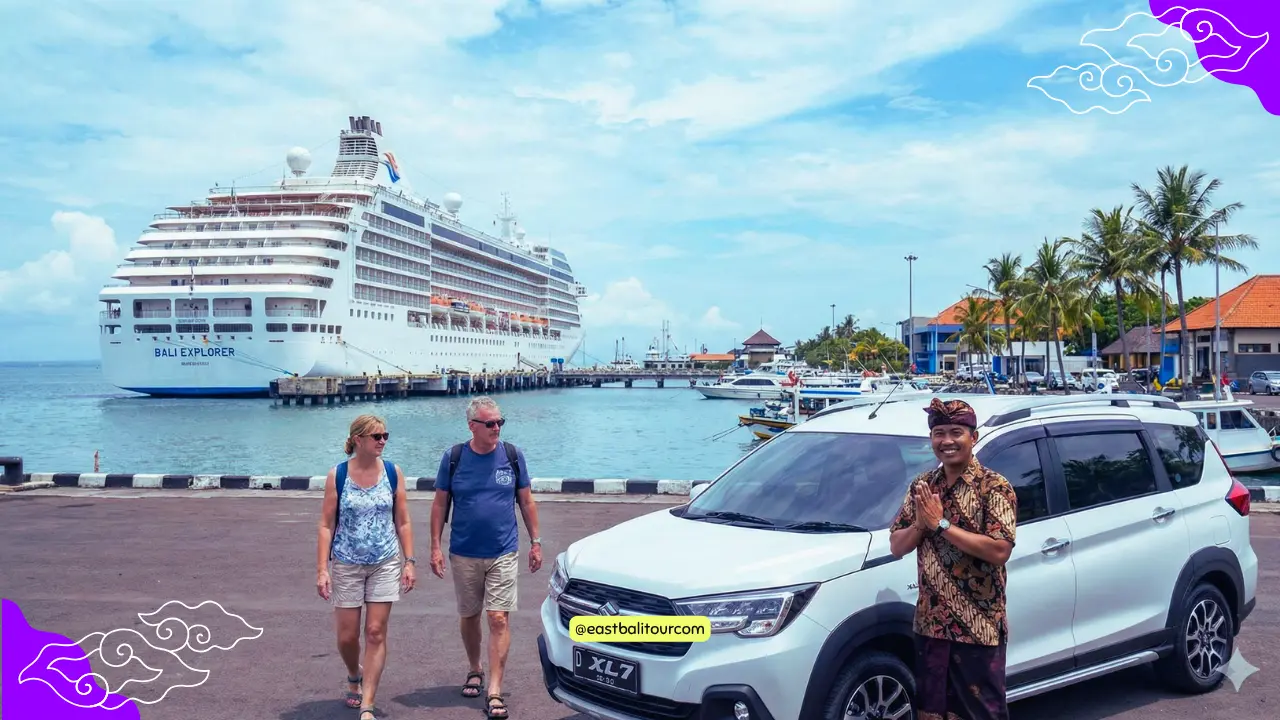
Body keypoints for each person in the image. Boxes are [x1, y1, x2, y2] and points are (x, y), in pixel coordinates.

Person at [888, 398, 1018, 720]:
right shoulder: (922, 486)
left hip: (978, 626)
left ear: (973, 438)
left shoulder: (994, 487)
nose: (947, 441)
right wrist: (922, 523)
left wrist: (942, 525)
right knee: (932, 713)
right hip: (931, 624)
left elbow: (1000, 550)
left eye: (956, 432)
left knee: (980, 714)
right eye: (939, 433)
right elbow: (896, 545)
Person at [429, 396, 542, 719]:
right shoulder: (453, 457)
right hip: (463, 552)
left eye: (499, 422)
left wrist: (536, 541)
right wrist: (435, 546)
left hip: (503, 551)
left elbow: (526, 501)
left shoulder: (512, 455)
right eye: (490, 423)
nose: (496, 428)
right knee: (469, 615)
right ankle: (474, 667)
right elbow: (439, 504)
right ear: (472, 426)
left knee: (498, 617)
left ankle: (494, 689)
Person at [316, 414, 416, 720]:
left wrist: (409, 561)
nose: (383, 441)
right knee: (347, 637)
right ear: (358, 439)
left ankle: (368, 702)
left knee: (375, 632)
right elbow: (325, 525)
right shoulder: (338, 475)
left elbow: (403, 521)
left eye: (385, 435)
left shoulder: (392, 472)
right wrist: (322, 568)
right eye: (376, 436)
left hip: (385, 563)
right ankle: (353, 674)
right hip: (346, 563)